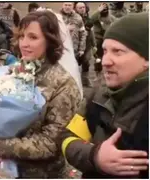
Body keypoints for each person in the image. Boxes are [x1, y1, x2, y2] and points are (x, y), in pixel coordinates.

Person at [0, 10, 82, 178]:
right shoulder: (14, 71)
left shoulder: (63, 84)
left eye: (33, 37)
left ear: (50, 40)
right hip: (7, 169)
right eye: (22, 36)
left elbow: (51, 144)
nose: (24, 43)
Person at [60, 12, 149, 179]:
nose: (106, 61)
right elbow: (67, 138)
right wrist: (95, 156)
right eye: (105, 51)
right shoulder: (98, 95)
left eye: (118, 51)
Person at [90, 3, 116, 79]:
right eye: (102, 9)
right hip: (98, 39)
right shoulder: (96, 17)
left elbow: (117, 23)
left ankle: (109, 72)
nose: (104, 11)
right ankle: (98, 73)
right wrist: (98, 11)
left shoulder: (111, 18)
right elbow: (91, 20)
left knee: (109, 56)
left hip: (107, 39)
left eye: (105, 9)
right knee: (98, 58)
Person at [74, 2, 97, 87]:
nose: (82, 9)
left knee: (86, 62)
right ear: (75, 9)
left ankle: (85, 81)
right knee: (75, 63)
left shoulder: (88, 18)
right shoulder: (74, 19)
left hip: (87, 45)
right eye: (80, 8)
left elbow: (91, 33)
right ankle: (76, 81)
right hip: (77, 45)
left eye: (83, 7)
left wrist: (94, 44)